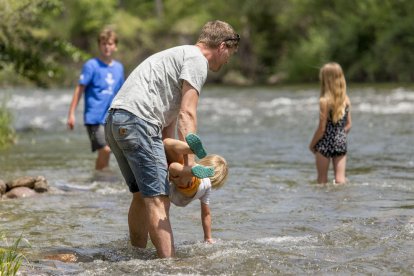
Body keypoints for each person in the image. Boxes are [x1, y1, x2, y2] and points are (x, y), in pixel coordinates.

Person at [104, 20, 239, 258]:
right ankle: (169, 267)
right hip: (140, 122)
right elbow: (188, 113)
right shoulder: (198, 60)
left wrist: (170, 163)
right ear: (222, 46)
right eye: (231, 53)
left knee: (141, 195)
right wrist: (187, 166)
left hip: (116, 121)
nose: (228, 60)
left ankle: (137, 256)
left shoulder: (179, 55)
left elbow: (168, 125)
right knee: (158, 200)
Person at [67, 27, 124, 171]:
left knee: (110, 151)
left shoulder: (119, 68)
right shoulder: (91, 65)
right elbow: (80, 89)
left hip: (111, 118)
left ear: (115, 46)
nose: (107, 47)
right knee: (105, 150)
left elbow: (122, 93)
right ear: (99, 45)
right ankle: (100, 177)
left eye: (110, 44)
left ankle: (100, 179)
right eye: (104, 43)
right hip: (94, 117)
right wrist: (71, 114)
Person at [164, 133, 228, 244]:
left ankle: (190, 151)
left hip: (186, 187)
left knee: (168, 147)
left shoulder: (204, 181)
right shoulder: (207, 187)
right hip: (188, 187)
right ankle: (190, 152)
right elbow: (206, 214)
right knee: (176, 165)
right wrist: (208, 237)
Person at [309, 62, 352, 184]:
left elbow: (321, 129)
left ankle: (324, 203)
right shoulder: (346, 99)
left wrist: (312, 145)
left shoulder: (324, 101)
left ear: (325, 80)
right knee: (340, 180)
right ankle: (340, 201)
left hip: (324, 144)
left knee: (322, 181)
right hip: (340, 143)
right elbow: (349, 125)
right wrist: (339, 136)